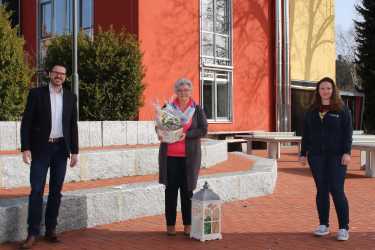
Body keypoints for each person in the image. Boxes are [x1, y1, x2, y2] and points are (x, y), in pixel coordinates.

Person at [20, 65, 79, 249]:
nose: (59, 76)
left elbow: (72, 126)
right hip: (41, 148)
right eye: (56, 73)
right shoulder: (36, 94)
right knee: (36, 190)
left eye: (62, 74)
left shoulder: (71, 97)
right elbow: (27, 122)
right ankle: (32, 233)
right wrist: (25, 147)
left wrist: (75, 151)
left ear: (65, 77)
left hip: (61, 149)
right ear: (50, 75)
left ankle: (51, 229)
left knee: (56, 190)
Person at [300, 77, 353, 241]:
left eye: (328, 88)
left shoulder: (342, 109)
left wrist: (347, 152)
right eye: (322, 88)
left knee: (337, 189)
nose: (325, 91)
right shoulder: (312, 110)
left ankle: (344, 227)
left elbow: (347, 133)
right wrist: (303, 152)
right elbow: (306, 133)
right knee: (322, 190)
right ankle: (324, 224)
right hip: (316, 156)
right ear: (318, 91)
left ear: (333, 90)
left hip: (337, 156)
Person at [157, 78, 208, 236]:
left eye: (186, 90)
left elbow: (203, 129)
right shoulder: (168, 107)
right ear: (176, 92)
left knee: (187, 192)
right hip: (170, 157)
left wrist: (187, 134)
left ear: (190, 92)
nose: (183, 93)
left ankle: (188, 224)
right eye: (180, 90)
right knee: (170, 192)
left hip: (189, 158)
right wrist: (160, 132)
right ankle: (170, 225)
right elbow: (158, 125)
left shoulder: (197, 109)